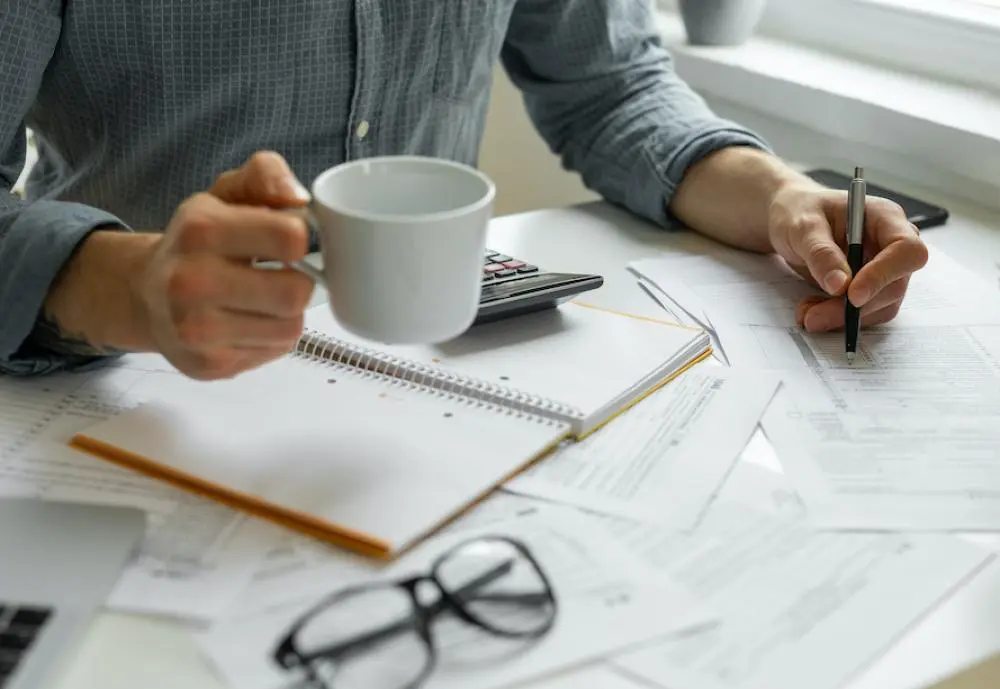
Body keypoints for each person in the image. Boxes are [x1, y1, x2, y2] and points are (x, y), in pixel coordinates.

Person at [0, 1, 927, 380]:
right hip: (111, 392)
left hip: (446, 391)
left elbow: (611, 84)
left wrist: (774, 196)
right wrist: (125, 286)